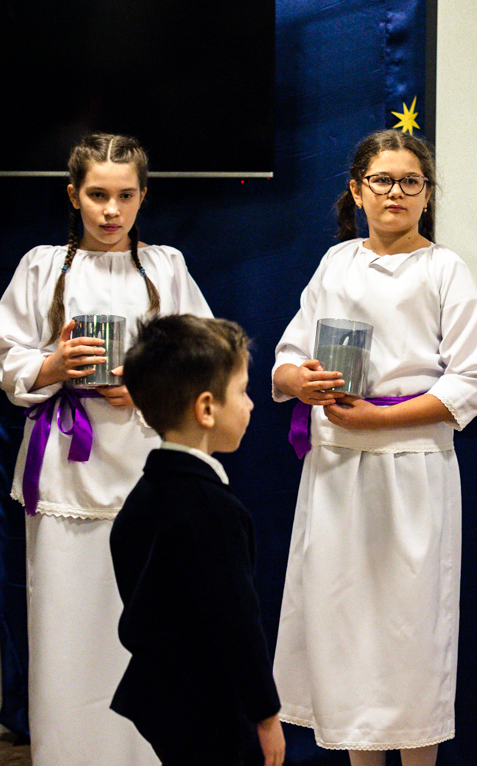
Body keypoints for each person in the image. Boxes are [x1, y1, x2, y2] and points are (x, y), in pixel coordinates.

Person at [0, 133, 212, 766]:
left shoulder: (166, 266)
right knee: (67, 630)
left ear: (143, 197)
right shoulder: (41, 266)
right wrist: (53, 364)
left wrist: (146, 387)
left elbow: (206, 358)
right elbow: (4, 357)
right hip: (66, 472)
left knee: (146, 629)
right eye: (97, 195)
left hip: (146, 469)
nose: (111, 211)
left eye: (125, 196)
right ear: (73, 196)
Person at [270, 130, 477, 765]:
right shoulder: (335, 264)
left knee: (409, 637)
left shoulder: (444, 269)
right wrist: (300, 380)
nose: (396, 193)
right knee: (347, 637)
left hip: (411, 472)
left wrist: (379, 419)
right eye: (382, 181)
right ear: (357, 191)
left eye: (410, 182)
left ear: (427, 194)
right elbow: (288, 357)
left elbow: (470, 382)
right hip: (338, 471)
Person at [110, 314, 284, 766]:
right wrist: (266, 714)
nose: (250, 405)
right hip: (209, 708)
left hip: (161, 700)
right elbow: (239, 624)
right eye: (242, 392)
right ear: (206, 409)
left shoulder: (142, 497)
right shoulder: (213, 510)